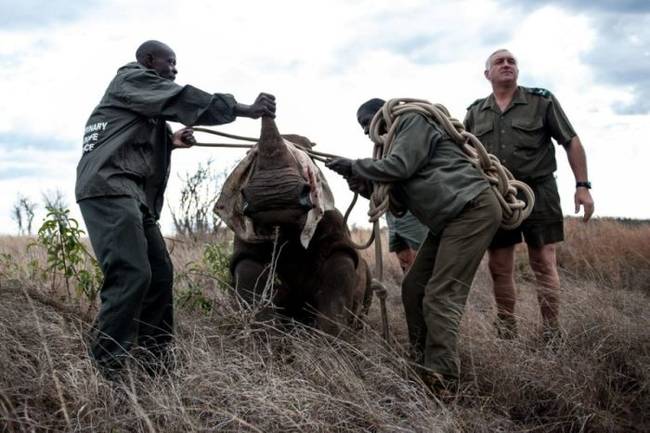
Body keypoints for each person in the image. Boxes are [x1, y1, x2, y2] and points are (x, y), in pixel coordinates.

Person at [75, 40, 276, 378]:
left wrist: (171, 141)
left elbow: (128, 140)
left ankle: (154, 364)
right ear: (148, 60)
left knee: (159, 274)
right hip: (109, 189)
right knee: (131, 274)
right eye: (170, 62)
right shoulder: (131, 79)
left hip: (131, 193)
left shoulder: (141, 101)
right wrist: (246, 109)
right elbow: (183, 99)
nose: (175, 69)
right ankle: (106, 369)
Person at [326, 98, 502, 390]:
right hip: (447, 219)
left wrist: (356, 165)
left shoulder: (411, 119)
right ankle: (421, 361)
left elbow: (401, 166)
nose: (366, 131)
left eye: (366, 122)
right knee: (413, 287)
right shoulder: (394, 145)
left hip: (471, 209)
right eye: (362, 127)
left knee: (440, 295)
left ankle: (441, 378)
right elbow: (398, 200)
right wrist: (361, 181)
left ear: (381, 114)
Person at [464, 49, 594, 341]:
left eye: (512, 61)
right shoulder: (475, 112)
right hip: (496, 196)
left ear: (517, 71)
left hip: (540, 191)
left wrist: (582, 186)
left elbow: (571, 141)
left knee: (543, 263)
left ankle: (551, 332)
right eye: (499, 62)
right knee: (499, 266)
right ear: (488, 74)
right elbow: (465, 157)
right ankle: (507, 330)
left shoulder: (541, 100)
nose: (507, 65)